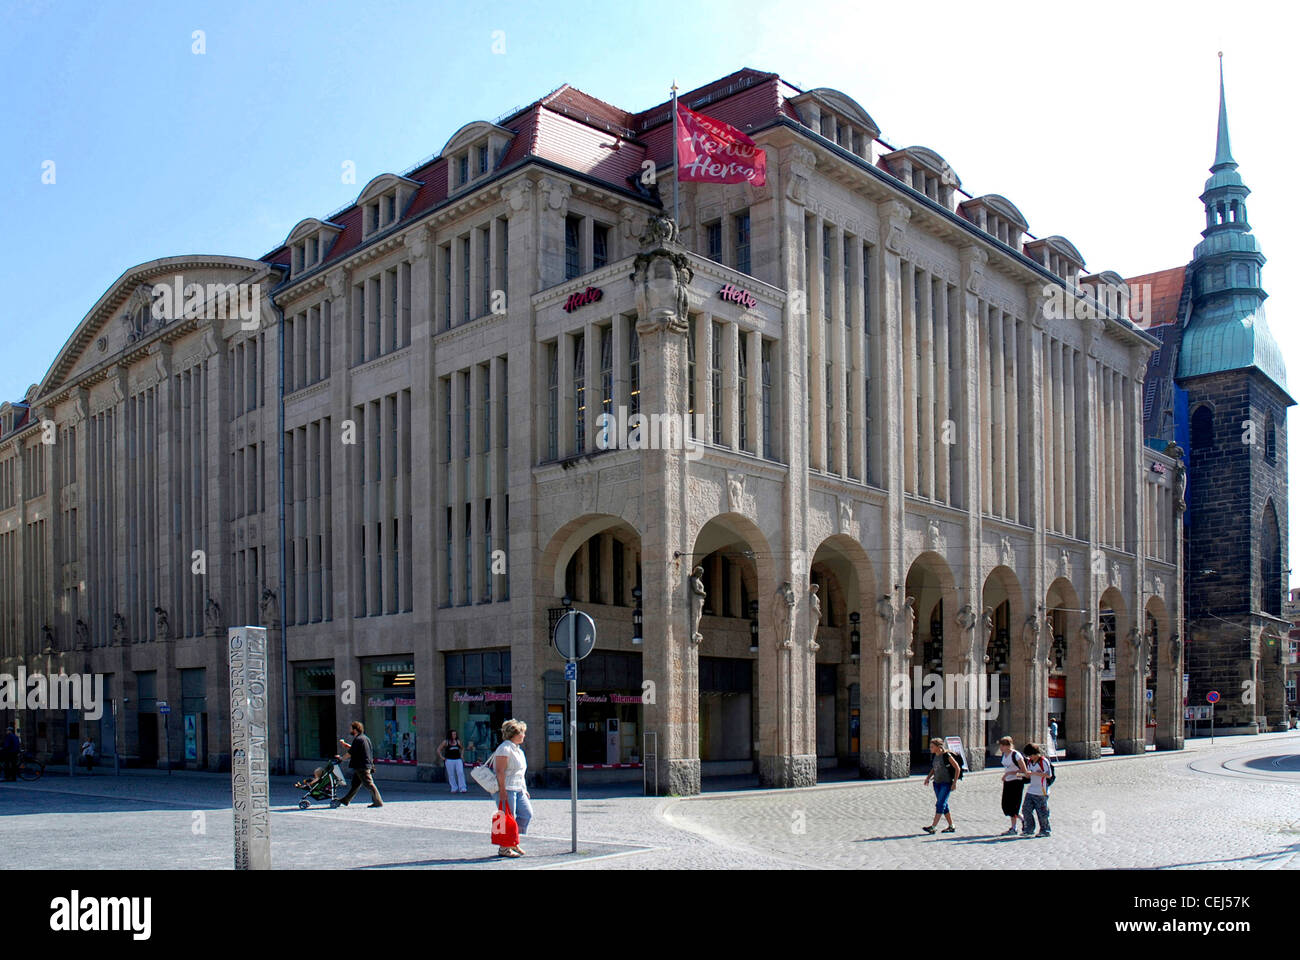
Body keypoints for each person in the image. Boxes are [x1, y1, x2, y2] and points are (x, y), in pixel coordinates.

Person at [490, 719, 531, 858]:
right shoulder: (505, 748)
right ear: (514, 734)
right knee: (508, 818)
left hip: (518, 788)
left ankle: (512, 841)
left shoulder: (517, 750)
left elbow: (520, 772)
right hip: (507, 787)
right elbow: (500, 771)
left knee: (526, 814)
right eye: (522, 733)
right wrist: (502, 791)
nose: (524, 735)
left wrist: (524, 788)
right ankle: (504, 847)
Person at [338, 721, 384, 807]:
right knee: (355, 784)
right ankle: (346, 800)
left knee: (369, 784)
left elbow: (350, 753)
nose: (350, 730)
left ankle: (378, 802)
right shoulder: (365, 738)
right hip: (364, 764)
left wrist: (341, 759)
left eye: (351, 728)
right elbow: (357, 749)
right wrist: (347, 745)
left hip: (361, 766)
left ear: (355, 729)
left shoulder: (358, 739)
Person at [921, 737, 961, 834]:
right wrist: (928, 777)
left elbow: (957, 768)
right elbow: (934, 768)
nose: (930, 748)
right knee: (944, 805)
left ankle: (933, 827)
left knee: (940, 804)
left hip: (946, 783)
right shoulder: (935, 756)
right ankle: (951, 826)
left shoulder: (946, 755)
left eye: (932, 747)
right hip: (937, 783)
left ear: (938, 747)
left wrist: (954, 783)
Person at [997, 736, 1030, 835]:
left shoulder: (1016, 755)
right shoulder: (1004, 754)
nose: (1000, 748)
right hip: (1008, 782)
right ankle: (1023, 819)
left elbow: (1023, 770)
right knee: (1006, 806)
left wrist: (1009, 773)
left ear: (1007, 746)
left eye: (1002, 745)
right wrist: (1006, 776)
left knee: (1013, 806)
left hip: (1017, 782)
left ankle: (1014, 828)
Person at [1020, 742, 1052, 837]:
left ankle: (1045, 830)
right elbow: (1030, 773)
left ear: (1035, 754)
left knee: (1042, 812)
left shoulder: (1043, 761)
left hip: (1041, 791)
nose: (1029, 757)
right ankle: (1029, 829)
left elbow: (1048, 775)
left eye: (1030, 755)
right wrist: (1026, 775)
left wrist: (1035, 773)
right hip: (1031, 789)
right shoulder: (1030, 762)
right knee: (1026, 809)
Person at [438, 729, 468, 793]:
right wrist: (442, 757)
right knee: (451, 774)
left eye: (455, 734)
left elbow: (462, 748)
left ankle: (462, 787)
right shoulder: (446, 742)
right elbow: (438, 749)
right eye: (453, 734)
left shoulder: (457, 741)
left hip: (458, 759)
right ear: (450, 735)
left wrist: (462, 755)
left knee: (460, 772)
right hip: (449, 760)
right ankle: (454, 787)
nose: (454, 735)